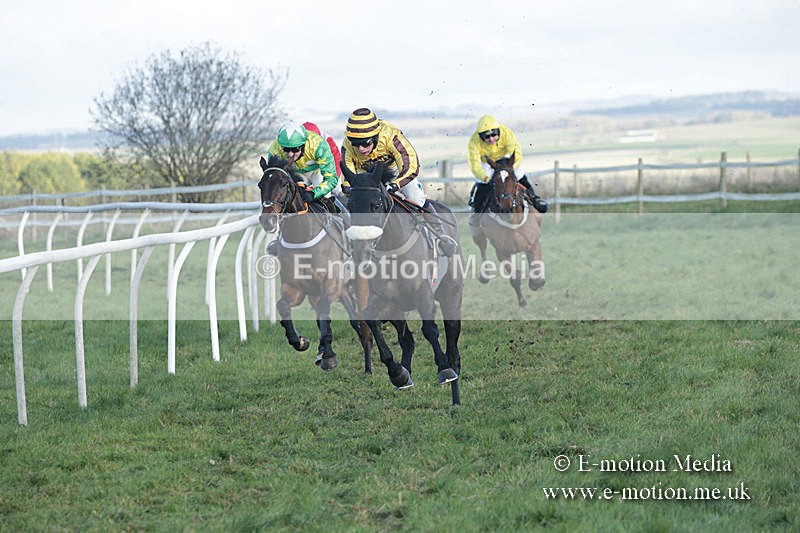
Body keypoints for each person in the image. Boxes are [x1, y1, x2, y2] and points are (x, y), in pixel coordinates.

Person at [341, 107, 457, 256]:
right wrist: (350, 188)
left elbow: (411, 164)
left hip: (396, 171)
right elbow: (348, 174)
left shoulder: (391, 135)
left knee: (415, 197)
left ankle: (440, 236)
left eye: (365, 143)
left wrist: (396, 184)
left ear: (376, 136)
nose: (361, 148)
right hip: (366, 175)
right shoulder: (347, 145)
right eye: (355, 143)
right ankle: (352, 250)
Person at [467, 115, 548, 225]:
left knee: (519, 175)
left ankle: (534, 200)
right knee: (482, 182)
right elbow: (474, 165)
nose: (491, 139)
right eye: (486, 137)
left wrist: (511, 169)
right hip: (487, 162)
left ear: (498, 132)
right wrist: (485, 178)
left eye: (494, 135)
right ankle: (478, 212)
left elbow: (516, 153)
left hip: (505, 159)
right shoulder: (473, 141)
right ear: (480, 136)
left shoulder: (506, 133)